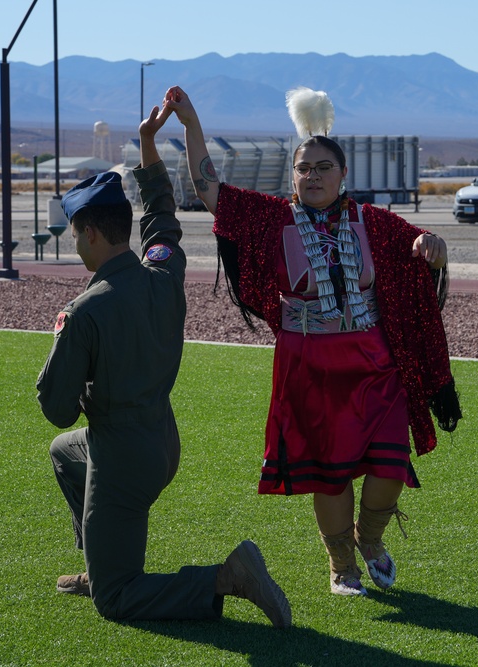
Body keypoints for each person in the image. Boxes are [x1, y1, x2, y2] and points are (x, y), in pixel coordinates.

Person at [164, 85, 461, 597]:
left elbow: (419, 245)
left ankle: (370, 540)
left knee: (390, 464)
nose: (314, 176)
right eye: (305, 168)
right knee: (331, 473)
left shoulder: (373, 222)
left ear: (343, 174)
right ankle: (341, 564)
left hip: (374, 362)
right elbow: (208, 189)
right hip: (309, 363)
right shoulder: (271, 218)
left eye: (324, 167)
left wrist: (429, 245)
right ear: (293, 177)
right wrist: (191, 126)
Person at [36, 103, 292, 627]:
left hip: (123, 457)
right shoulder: (162, 269)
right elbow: (161, 211)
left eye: (75, 235)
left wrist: (72, 371)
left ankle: (226, 576)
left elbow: (58, 409)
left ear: (89, 234)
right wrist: (148, 141)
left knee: (118, 600)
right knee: (65, 454)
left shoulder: (84, 312)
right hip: (162, 440)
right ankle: (100, 562)